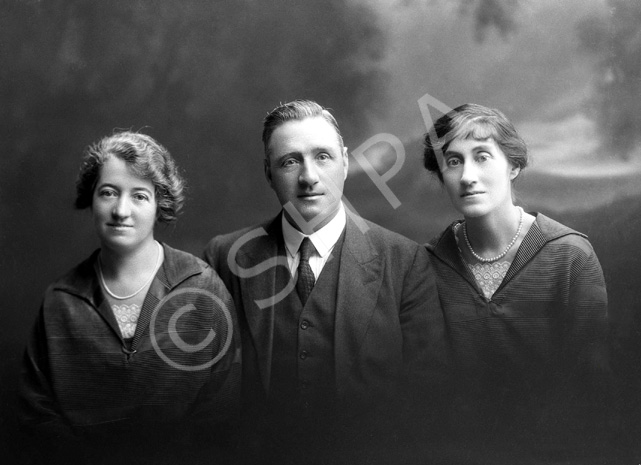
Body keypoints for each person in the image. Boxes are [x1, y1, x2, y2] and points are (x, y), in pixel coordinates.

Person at [204, 99, 446, 463]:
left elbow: (428, 398)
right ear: (268, 172)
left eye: (323, 157)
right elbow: (205, 396)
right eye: (290, 161)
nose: (308, 178)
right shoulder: (225, 259)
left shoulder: (405, 262)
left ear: (346, 162)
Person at [19, 131, 240, 464]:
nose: (120, 210)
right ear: (90, 199)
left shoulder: (202, 289)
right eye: (108, 193)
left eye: (139, 196)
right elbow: (37, 415)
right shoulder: (60, 301)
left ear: (159, 205)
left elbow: (224, 410)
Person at [423, 103, 609, 462]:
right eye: (453, 161)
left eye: (482, 157)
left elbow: (591, 388)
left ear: (514, 166)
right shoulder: (429, 263)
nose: (466, 176)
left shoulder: (570, 257)